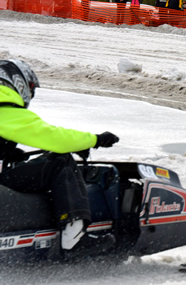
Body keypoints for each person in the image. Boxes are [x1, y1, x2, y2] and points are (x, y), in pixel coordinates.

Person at [0, 59, 118, 254]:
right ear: (15, 82)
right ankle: (74, 237)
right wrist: (94, 140)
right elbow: (54, 138)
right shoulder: (5, 109)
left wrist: (6, 152)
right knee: (60, 162)